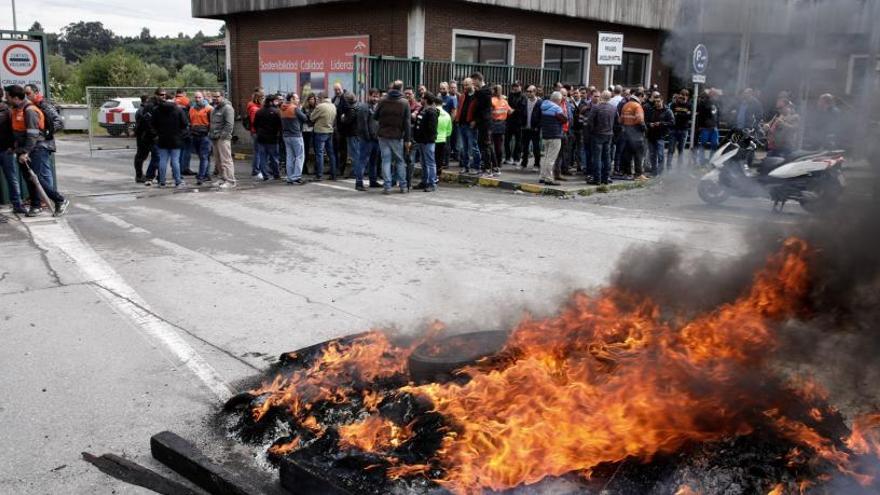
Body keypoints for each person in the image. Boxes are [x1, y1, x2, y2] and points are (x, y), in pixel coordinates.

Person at [6, 84, 70, 216]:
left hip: (37, 148)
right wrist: (14, 148)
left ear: (15, 98)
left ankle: (60, 200)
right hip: (24, 149)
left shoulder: (29, 110)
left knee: (37, 178)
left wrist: (26, 152)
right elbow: (17, 131)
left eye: (8, 97)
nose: (6, 99)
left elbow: (32, 134)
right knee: (29, 178)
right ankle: (35, 205)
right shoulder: (16, 109)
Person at [374, 80, 412, 194]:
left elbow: (375, 116)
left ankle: (387, 186)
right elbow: (407, 123)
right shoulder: (404, 103)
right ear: (401, 89)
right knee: (400, 161)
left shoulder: (383, 101)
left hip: (383, 134)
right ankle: (403, 186)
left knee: (386, 160)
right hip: (397, 135)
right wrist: (407, 139)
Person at [150, 88, 188, 188]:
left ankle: (162, 181)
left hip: (162, 139)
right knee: (175, 161)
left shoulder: (157, 110)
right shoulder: (178, 109)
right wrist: (181, 135)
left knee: (162, 160)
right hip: (176, 139)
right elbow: (185, 124)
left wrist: (157, 134)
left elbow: (152, 124)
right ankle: (178, 181)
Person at [0, 86, 26, 214]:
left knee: (11, 177)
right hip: (5, 149)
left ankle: (17, 204)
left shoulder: (8, 111)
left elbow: (14, 131)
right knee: (12, 177)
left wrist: (13, 146)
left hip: (6, 150)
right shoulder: (8, 110)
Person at [351, 88, 381, 191]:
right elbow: (362, 124)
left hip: (376, 139)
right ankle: (359, 183)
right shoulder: (364, 107)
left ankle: (373, 181)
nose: (375, 98)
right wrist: (368, 137)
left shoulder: (377, 107)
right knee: (362, 161)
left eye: (377, 96)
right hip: (367, 139)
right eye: (373, 96)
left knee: (374, 161)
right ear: (369, 96)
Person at [588, 90, 617, 185]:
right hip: (609, 134)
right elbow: (617, 122)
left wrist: (592, 131)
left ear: (601, 97)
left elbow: (590, 121)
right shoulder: (613, 108)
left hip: (597, 134)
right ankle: (606, 178)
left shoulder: (596, 107)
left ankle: (597, 179)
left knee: (597, 157)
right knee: (607, 157)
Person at [469, 72, 494, 177]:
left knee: (485, 145)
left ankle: (488, 169)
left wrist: (475, 120)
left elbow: (481, 108)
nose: (473, 84)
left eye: (474, 81)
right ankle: (485, 167)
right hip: (481, 122)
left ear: (478, 79)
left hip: (485, 122)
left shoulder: (485, 91)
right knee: (481, 144)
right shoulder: (481, 91)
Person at [539, 92, 567, 186]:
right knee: (551, 158)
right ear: (558, 100)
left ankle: (542, 176)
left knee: (544, 157)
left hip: (545, 135)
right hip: (555, 135)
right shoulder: (557, 108)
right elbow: (564, 120)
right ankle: (549, 178)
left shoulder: (543, 106)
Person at [209, 91, 236, 189]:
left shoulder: (228, 108)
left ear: (222, 97)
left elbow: (229, 125)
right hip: (214, 138)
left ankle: (230, 181)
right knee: (218, 160)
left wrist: (222, 136)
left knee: (226, 160)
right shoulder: (214, 109)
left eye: (217, 96)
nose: (215, 98)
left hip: (223, 139)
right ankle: (222, 178)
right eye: (214, 96)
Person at [618, 90, 647, 180]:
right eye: (643, 97)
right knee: (638, 154)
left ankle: (627, 172)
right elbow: (640, 120)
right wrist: (645, 130)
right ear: (640, 96)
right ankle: (638, 174)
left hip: (626, 133)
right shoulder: (637, 106)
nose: (644, 99)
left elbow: (620, 120)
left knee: (628, 154)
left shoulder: (625, 105)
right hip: (636, 134)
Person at [280, 93, 308, 185]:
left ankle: (290, 177)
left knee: (290, 157)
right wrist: (300, 110)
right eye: (297, 98)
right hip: (295, 135)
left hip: (286, 135)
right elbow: (305, 118)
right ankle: (296, 177)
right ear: (292, 99)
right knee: (299, 156)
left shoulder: (282, 108)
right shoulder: (294, 108)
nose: (298, 100)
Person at [413, 92, 439, 191]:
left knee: (430, 163)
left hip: (428, 141)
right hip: (422, 141)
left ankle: (431, 183)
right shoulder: (423, 109)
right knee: (423, 162)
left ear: (426, 100)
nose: (421, 99)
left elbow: (431, 129)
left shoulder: (431, 112)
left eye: (422, 98)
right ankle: (424, 181)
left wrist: (425, 138)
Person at [253, 94, 282, 181]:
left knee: (263, 157)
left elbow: (255, 124)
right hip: (273, 138)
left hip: (261, 138)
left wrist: (259, 131)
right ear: (272, 101)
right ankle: (276, 174)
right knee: (274, 157)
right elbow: (280, 125)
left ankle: (265, 175)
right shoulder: (276, 112)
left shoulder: (259, 111)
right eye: (275, 101)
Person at [645, 92, 674, 176]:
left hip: (660, 136)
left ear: (662, 101)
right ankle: (654, 172)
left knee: (660, 155)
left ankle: (660, 173)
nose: (657, 103)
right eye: (655, 101)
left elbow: (672, 122)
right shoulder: (651, 110)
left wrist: (661, 123)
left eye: (658, 101)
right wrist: (649, 124)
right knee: (652, 155)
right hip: (651, 135)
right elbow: (645, 121)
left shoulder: (667, 111)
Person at [310, 93, 338, 180]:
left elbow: (312, 117)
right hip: (330, 131)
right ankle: (333, 174)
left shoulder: (320, 106)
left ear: (321, 98)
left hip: (320, 131)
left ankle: (319, 175)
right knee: (331, 153)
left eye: (318, 99)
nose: (317, 100)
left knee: (319, 153)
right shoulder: (333, 106)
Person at [188, 91, 213, 185]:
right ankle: (206, 175)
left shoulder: (209, 108)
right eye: (196, 97)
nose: (197, 99)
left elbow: (213, 122)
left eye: (199, 97)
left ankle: (201, 177)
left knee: (203, 157)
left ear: (203, 98)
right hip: (195, 135)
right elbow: (190, 121)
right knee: (204, 157)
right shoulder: (192, 109)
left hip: (205, 136)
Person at [456, 77, 480, 174]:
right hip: (461, 124)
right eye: (464, 85)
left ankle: (476, 167)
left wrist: (475, 121)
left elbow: (480, 111)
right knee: (463, 147)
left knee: (473, 147)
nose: (465, 86)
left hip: (470, 125)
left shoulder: (477, 96)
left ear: (472, 84)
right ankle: (465, 166)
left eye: (467, 84)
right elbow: (460, 108)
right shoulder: (463, 96)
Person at [133, 94, 159, 184]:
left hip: (143, 136)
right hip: (144, 137)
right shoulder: (143, 111)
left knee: (143, 156)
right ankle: (141, 175)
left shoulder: (141, 110)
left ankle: (142, 175)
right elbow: (145, 125)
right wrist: (154, 134)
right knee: (142, 156)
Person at [518, 85, 542, 171]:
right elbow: (520, 113)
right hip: (525, 128)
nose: (528, 93)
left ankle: (537, 164)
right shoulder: (524, 101)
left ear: (535, 92)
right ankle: (524, 163)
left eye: (530, 91)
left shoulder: (539, 102)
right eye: (527, 91)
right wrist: (521, 124)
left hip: (535, 129)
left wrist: (537, 126)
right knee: (525, 147)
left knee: (536, 147)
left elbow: (541, 116)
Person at [696, 89, 721, 166]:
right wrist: (700, 126)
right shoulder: (703, 103)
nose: (715, 95)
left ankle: (712, 160)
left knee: (715, 144)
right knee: (703, 144)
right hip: (705, 128)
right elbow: (699, 116)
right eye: (713, 94)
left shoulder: (717, 103)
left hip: (714, 128)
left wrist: (717, 125)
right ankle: (701, 161)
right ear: (710, 95)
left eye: (715, 94)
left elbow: (718, 115)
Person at [489, 85, 511, 176]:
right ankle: (499, 162)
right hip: (502, 123)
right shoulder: (504, 101)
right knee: (499, 145)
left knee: (491, 145)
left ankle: (494, 163)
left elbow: (490, 111)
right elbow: (510, 111)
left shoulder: (492, 100)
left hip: (494, 123)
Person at [668, 92, 691, 169]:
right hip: (673, 129)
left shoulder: (689, 105)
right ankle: (669, 166)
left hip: (684, 130)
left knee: (681, 150)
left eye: (685, 96)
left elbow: (689, 116)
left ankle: (679, 167)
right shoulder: (673, 105)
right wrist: (684, 114)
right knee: (671, 149)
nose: (683, 98)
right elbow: (671, 116)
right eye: (681, 96)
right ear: (679, 96)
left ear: (687, 97)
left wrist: (678, 114)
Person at [504, 82, 524, 165]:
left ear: (520, 87)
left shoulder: (523, 97)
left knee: (518, 141)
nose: (515, 88)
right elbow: (507, 105)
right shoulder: (511, 95)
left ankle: (517, 158)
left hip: (518, 122)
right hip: (509, 121)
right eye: (514, 86)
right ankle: (508, 157)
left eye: (517, 86)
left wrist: (514, 111)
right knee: (507, 140)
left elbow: (522, 109)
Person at [246, 91, 264, 179]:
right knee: (258, 152)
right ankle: (256, 171)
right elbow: (255, 122)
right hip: (257, 132)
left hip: (256, 131)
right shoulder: (254, 108)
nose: (263, 100)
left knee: (258, 151)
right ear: (258, 99)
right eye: (262, 98)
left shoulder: (255, 107)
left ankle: (257, 170)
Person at [435, 93, 453, 177]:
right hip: (443, 139)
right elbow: (449, 130)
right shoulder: (447, 115)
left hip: (434, 139)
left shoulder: (433, 113)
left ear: (434, 103)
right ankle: (438, 174)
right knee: (440, 158)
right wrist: (445, 135)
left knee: (433, 158)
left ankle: (433, 175)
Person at [301, 93, 318, 175]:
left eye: (313, 99)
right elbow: (304, 118)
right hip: (306, 131)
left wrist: (310, 117)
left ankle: (316, 168)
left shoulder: (317, 107)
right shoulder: (304, 108)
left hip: (315, 130)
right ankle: (304, 168)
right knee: (306, 150)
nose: (312, 100)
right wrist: (310, 117)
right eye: (310, 99)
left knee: (316, 149)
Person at [446, 81, 460, 161]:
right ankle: (450, 154)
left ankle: (456, 155)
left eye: (454, 87)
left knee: (456, 138)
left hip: (456, 122)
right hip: (448, 121)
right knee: (449, 138)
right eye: (451, 87)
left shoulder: (459, 96)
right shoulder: (447, 97)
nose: (453, 89)